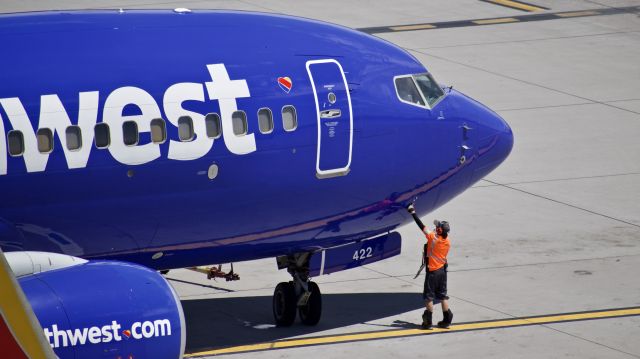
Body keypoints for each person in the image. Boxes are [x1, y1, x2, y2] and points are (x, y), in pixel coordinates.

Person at [407, 203, 453, 329]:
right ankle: (447, 320)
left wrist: (412, 212)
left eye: (437, 227)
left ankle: (428, 322)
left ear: (439, 230)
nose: (435, 227)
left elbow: (421, 226)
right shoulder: (447, 241)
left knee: (428, 297)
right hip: (442, 271)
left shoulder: (433, 238)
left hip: (432, 272)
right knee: (443, 296)